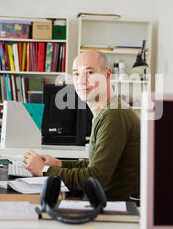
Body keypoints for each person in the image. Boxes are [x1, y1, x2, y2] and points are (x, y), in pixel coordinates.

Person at [23, 50, 140, 201]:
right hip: (102, 202)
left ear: (107, 74)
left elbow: (96, 177)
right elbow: (95, 163)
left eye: (89, 72)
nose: (81, 81)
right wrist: (58, 163)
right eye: (77, 74)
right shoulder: (106, 111)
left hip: (113, 211)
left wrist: (44, 170)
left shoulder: (114, 115)